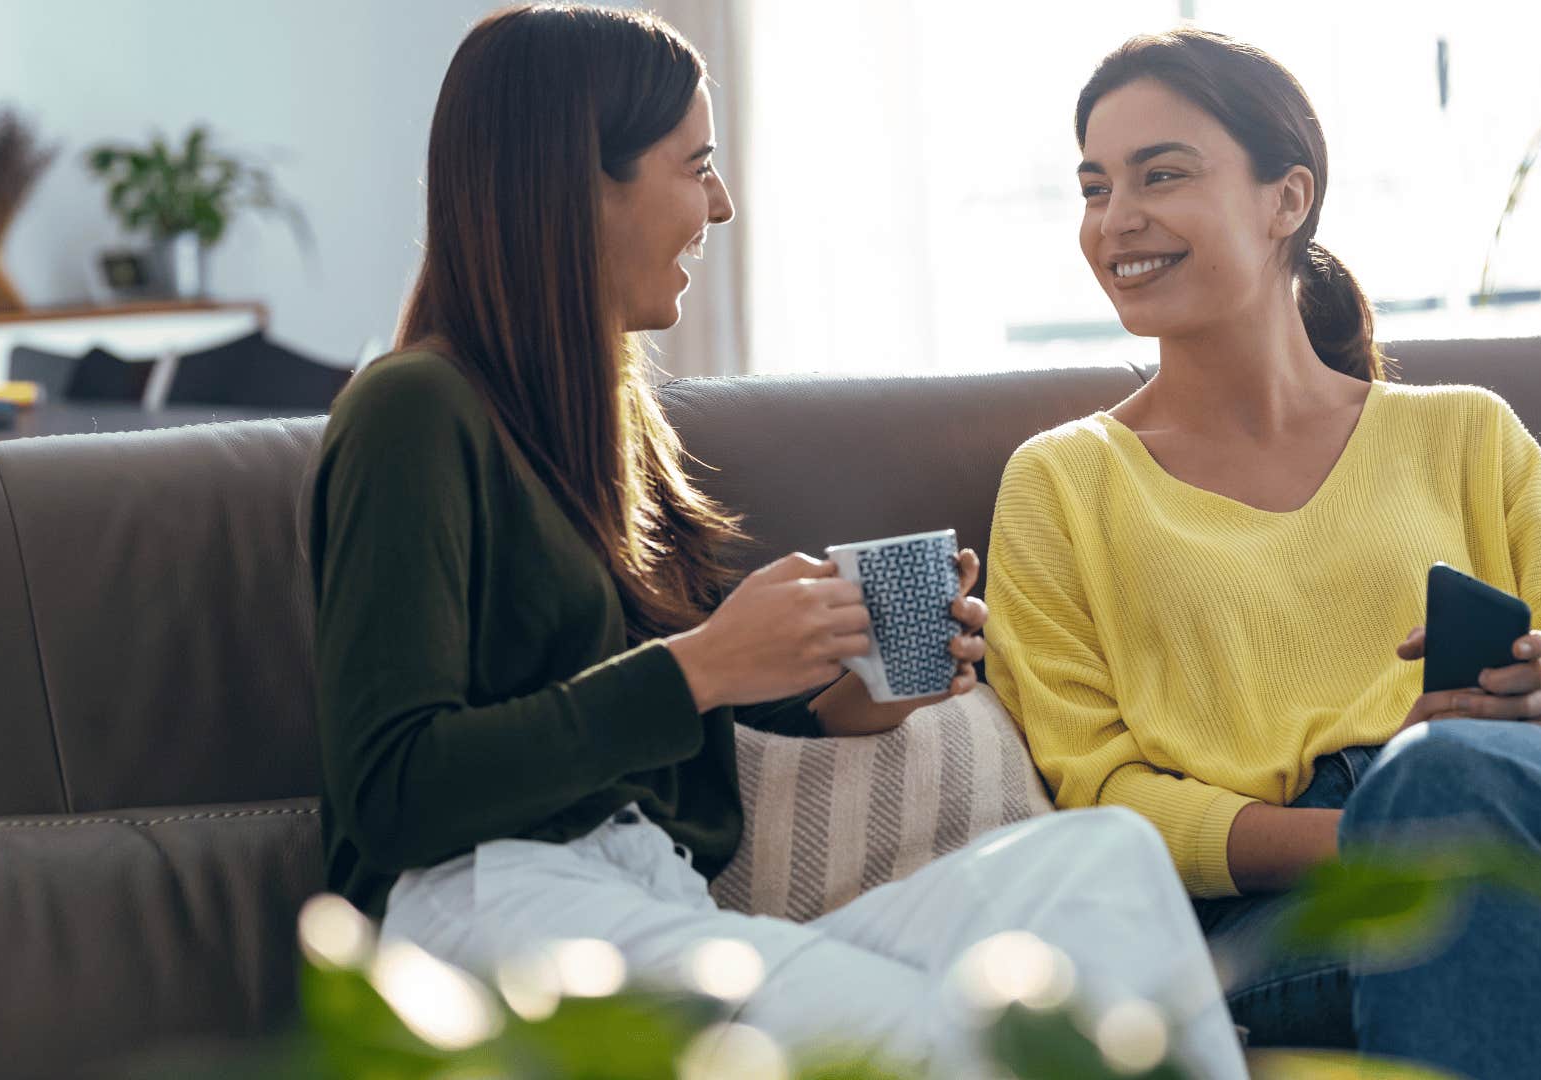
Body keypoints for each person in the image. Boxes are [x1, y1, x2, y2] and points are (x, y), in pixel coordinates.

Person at [308, 6, 1245, 1076]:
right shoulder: (414, 409)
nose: (721, 202)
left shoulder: (607, 430)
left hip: (649, 899)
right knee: (967, 1033)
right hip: (481, 916)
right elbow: (391, 793)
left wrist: (848, 696)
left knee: (1105, 864)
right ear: (576, 182)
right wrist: (702, 665)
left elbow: (664, 710)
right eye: (693, 164)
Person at [983, 27, 1541, 1080]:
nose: (1117, 220)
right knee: (1463, 859)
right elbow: (1097, 789)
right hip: (1304, 896)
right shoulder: (1062, 483)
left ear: (1288, 199)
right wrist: (1385, 836)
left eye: (1162, 175)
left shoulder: (1466, 432)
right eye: (1096, 187)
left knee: (1463, 775)